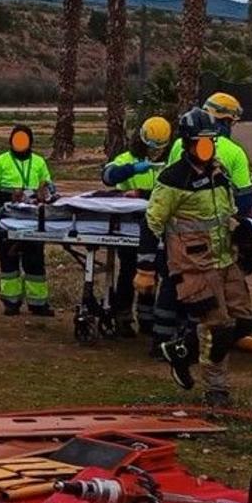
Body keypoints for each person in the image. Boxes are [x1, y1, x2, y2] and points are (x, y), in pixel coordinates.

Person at [146, 108, 252, 406]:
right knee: (217, 327)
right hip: (194, 266)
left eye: (210, 141)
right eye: (201, 141)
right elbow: (151, 224)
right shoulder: (173, 180)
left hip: (225, 260)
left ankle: (182, 350)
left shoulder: (218, 174)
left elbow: (227, 216)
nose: (207, 147)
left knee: (242, 319)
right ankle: (217, 391)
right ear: (188, 143)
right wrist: (145, 267)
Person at [0, 125, 56, 316]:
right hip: (5, 218)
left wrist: (48, 189)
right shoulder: (0, 162)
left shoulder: (39, 162)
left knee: (35, 262)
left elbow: (48, 188)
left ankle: (38, 304)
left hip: (32, 219)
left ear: (30, 142)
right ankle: (11, 302)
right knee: (8, 260)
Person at [101, 116, 172, 337]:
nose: (154, 153)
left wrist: (143, 194)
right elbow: (108, 176)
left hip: (159, 227)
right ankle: (122, 316)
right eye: (150, 147)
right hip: (129, 226)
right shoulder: (127, 159)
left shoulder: (171, 163)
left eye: (159, 148)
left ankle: (147, 318)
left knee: (154, 272)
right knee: (129, 270)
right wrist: (132, 169)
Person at [166, 92, 252, 216]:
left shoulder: (179, 143)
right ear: (227, 121)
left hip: (178, 220)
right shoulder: (235, 152)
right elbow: (244, 200)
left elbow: (167, 184)